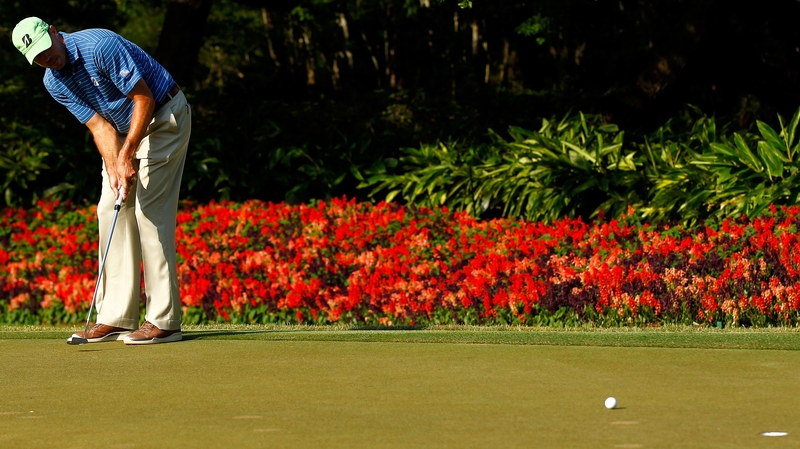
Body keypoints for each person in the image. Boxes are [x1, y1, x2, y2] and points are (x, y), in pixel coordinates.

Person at [12, 17, 191, 345]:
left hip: (163, 116)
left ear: (54, 32)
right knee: (110, 209)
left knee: (148, 212)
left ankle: (164, 321)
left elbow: (144, 99)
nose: (47, 59)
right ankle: (116, 317)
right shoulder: (54, 82)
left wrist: (127, 155)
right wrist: (114, 168)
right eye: (37, 57)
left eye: (46, 49)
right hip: (122, 131)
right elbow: (99, 127)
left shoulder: (99, 46)